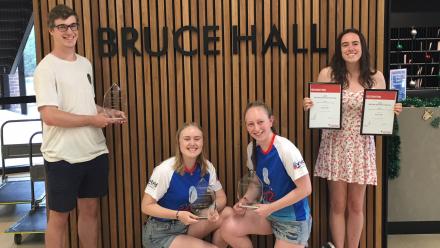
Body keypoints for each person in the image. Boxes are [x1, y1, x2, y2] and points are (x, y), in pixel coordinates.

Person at [33, 4, 126, 248]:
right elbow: (50, 115)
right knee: (59, 217)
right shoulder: (45, 68)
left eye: (73, 26)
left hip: (93, 152)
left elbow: (85, 105)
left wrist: (107, 113)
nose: (69, 32)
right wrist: (92, 120)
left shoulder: (85, 64)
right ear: (51, 30)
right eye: (62, 27)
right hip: (62, 157)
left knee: (90, 211)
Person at [303, 28, 403, 248]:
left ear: (363, 47)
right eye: (345, 44)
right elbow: (320, 111)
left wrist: (391, 111)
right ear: (339, 50)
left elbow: (380, 118)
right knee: (337, 204)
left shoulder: (376, 77)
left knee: (356, 205)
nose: (350, 48)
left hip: (361, 147)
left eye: (355, 43)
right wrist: (310, 106)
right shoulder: (327, 74)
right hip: (334, 146)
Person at [220, 101, 312, 248]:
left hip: (293, 221)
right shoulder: (252, 149)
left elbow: (306, 189)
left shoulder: (286, 149)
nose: (256, 128)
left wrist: (270, 207)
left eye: (260, 122)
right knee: (228, 228)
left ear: (271, 121)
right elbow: (256, 182)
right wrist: (244, 201)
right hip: (268, 216)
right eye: (250, 124)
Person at [141, 122, 231, 248]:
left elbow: (221, 198)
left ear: (202, 142)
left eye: (197, 139)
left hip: (187, 226)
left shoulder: (207, 167)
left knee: (228, 213)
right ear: (179, 143)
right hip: (161, 233)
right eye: (187, 139)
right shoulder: (165, 170)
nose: (192, 143)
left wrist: (212, 209)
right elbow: (146, 206)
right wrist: (178, 214)